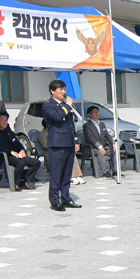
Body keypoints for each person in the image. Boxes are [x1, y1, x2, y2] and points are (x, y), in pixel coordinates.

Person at [40, 79, 81, 211]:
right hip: (57, 144)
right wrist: (67, 106)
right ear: (52, 91)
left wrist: (75, 140)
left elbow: (71, 124)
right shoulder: (48, 105)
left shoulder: (64, 105)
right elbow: (57, 117)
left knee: (67, 174)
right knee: (56, 174)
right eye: (61, 89)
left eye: (64, 89)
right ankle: (54, 201)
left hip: (68, 142)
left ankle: (66, 198)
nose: (64, 92)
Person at [0, 111, 40, 190]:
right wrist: (10, 152)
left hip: (16, 155)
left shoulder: (8, 131)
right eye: (2, 120)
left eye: (6, 120)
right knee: (20, 163)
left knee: (36, 162)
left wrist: (22, 150)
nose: (5, 122)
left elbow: (16, 142)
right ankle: (15, 182)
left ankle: (26, 180)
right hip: (4, 156)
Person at [82, 105, 117, 178]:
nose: (97, 113)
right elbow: (90, 138)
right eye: (94, 112)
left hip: (103, 147)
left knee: (114, 151)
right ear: (89, 114)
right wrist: (99, 146)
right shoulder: (87, 125)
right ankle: (105, 172)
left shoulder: (102, 124)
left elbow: (107, 135)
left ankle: (115, 171)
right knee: (100, 152)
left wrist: (113, 144)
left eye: (97, 112)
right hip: (91, 148)